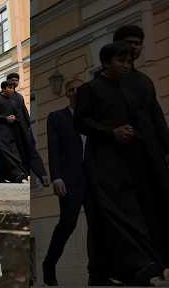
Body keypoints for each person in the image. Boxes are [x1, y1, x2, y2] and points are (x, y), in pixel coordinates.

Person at [74, 42, 169, 285]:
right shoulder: (89, 89)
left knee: (139, 211)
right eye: (121, 61)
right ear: (106, 63)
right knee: (119, 215)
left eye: (128, 61)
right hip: (104, 163)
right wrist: (111, 132)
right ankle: (136, 265)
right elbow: (81, 122)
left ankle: (141, 266)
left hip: (133, 161)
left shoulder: (131, 87)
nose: (127, 65)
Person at [42, 79, 93, 286]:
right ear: (67, 94)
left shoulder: (93, 118)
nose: (75, 92)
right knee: (68, 223)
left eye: (79, 89)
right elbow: (53, 150)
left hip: (94, 179)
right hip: (69, 180)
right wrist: (56, 177)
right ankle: (49, 264)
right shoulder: (57, 117)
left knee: (97, 225)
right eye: (71, 90)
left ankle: (96, 272)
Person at [7, 72, 50, 186]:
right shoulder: (3, 97)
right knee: (19, 156)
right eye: (12, 80)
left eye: (17, 80)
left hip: (24, 130)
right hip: (12, 132)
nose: (15, 82)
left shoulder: (19, 97)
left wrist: (29, 127)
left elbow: (25, 113)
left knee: (32, 152)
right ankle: (22, 177)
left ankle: (42, 175)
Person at [0, 81, 29, 183]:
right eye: (10, 87)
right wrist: (5, 118)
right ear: (3, 89)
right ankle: (17, 174)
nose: (12, 90)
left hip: (13, 131)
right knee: (5, 152)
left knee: (14, 152)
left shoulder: (14, 101)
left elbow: (18, 114)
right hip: (1, 131)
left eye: (13, 88)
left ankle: (9, 176)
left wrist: (15, 119)